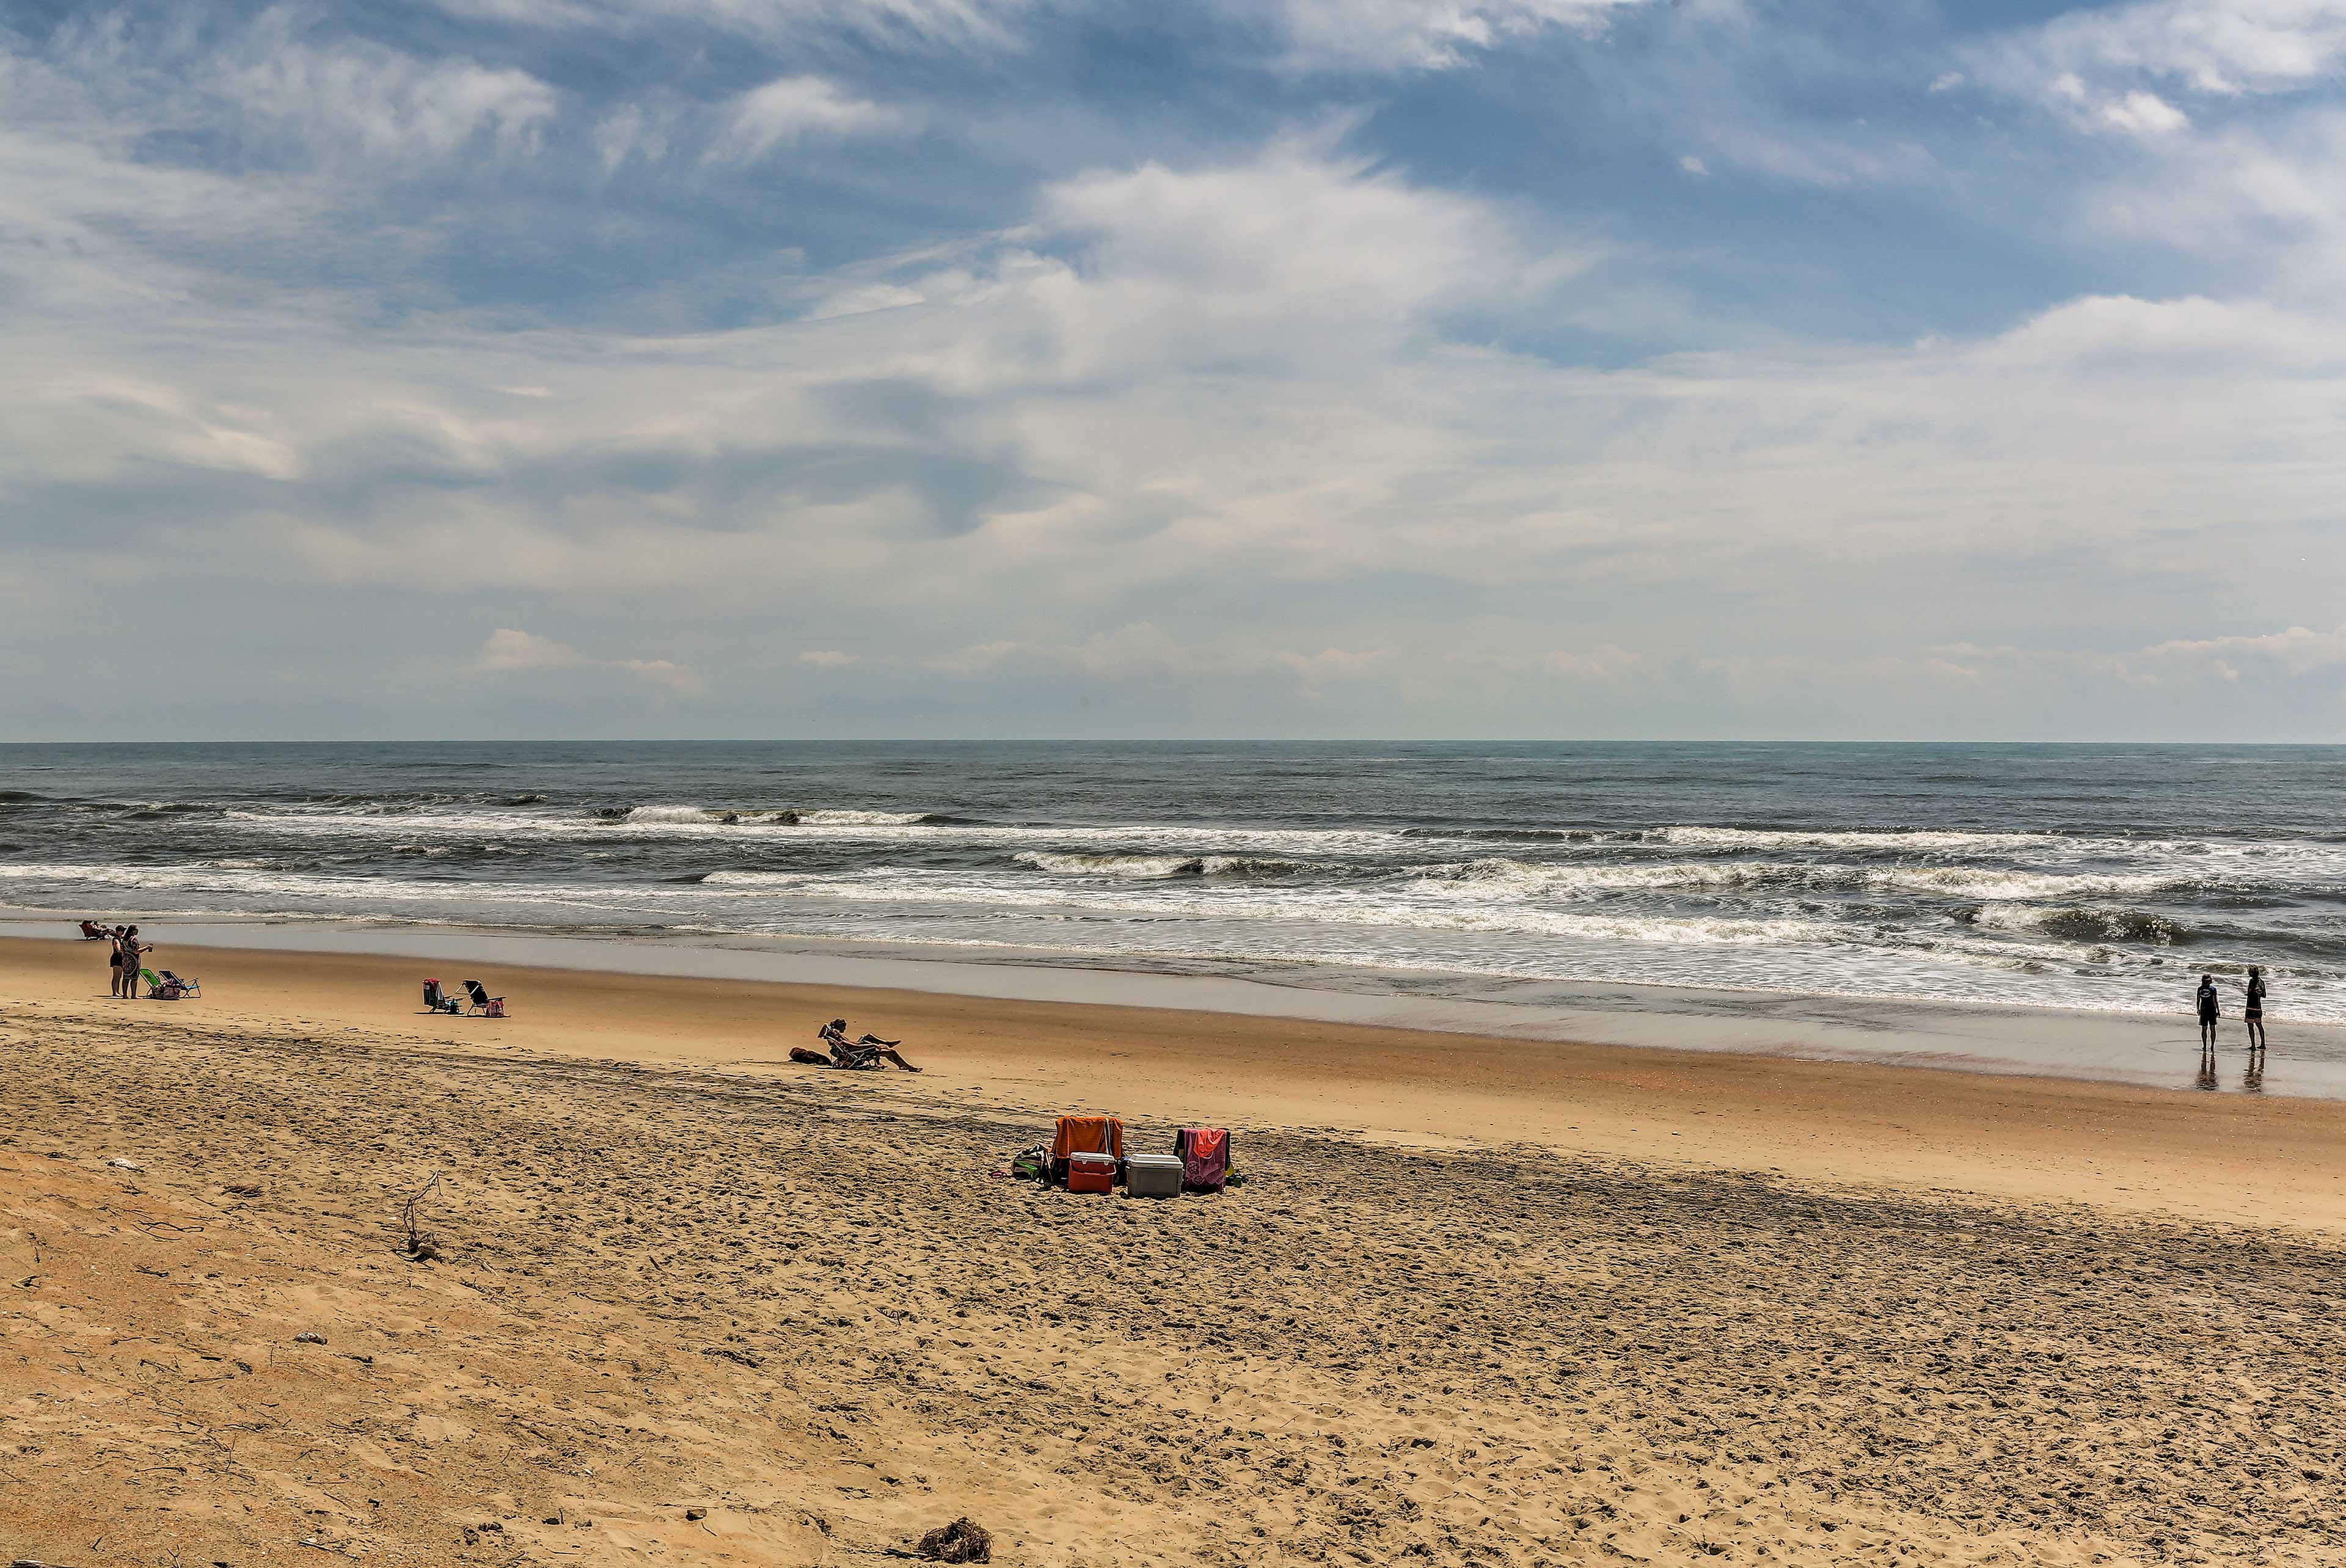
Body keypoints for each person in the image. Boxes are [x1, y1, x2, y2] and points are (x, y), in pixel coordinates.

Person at [817, 1018, 920, 1072]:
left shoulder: (836, 1036)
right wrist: (871, 1046)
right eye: (844, 1027)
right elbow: (853, 1047)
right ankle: (910, 1067)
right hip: (856, 1053)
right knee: (891, 1052)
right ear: (840, 1027)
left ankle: (897, 1061)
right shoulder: (841, 1039)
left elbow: (851, 1045)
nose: (845, 1029)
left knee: (870, 1037)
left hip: (853, 1050)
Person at [2243, 966, 2268, 1052]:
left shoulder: (2252, 981)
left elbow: (2250, 992)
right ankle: (2263, 1044)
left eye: (2250, 972)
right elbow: (2264, 995)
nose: (2249, 973)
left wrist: (2248, 993)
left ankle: (2253, 1045)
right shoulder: (2262, 982)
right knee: (2259, 1025)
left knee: (2250, 1026)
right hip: (2258, 1007)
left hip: (2251, 1006)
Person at [2195, 972, 2220, 1050]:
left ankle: (2205, 1045)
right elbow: (2215, 1001)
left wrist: (2198, 1009)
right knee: (2213, 1028)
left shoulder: (2200, 989)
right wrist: (2218, 1010)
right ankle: (2212, 1046)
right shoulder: (2213, 989)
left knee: (2204, 1028)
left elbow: (2198, 1000)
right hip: (2212, 1010)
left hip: (2203, 1009)